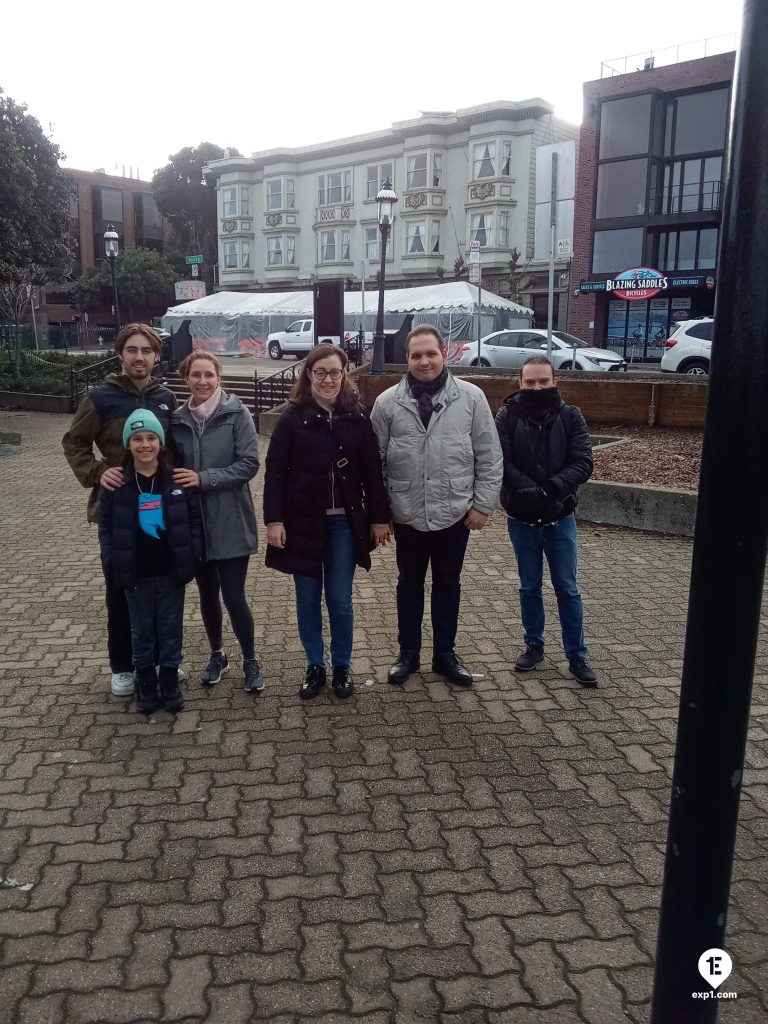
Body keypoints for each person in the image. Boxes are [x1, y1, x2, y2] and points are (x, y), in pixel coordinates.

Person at [371, 325, 502, 688]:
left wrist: (483, 506)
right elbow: (375, 464)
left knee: (448, 584)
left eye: (430, 353)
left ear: (444, 354)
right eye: (416, 355)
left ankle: (445, 654)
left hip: (454, 513)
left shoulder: (471, 399)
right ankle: (408, 654)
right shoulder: (386, 404)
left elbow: (489, 457)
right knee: (408, 584)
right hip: (407, 514)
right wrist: (381, 514)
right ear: (407, 359)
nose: (424, 361)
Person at [263, 344, 391, 700]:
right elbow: (274, 472)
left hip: (343, 526)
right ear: (308, 375)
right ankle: (315, 665)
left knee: (340, 598)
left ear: (344, 374)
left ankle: (342, 665)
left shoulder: (357, 417)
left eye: (335, 372)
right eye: (320, 372)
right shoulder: (291, 418)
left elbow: (372, 473)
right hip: (302, 522)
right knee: (307, 598)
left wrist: (379, 518)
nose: (328, 379)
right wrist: (274, 520)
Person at [62, 323, 177, 698]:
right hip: (117, 509)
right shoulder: (101, 397)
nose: (139, 357)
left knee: (161, 586)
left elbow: (174, 448)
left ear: (156, 356)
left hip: (158, 504)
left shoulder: (166, 398)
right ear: (120, 354)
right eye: (132, 350)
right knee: (121, 587)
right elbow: (74, 442)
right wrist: (98, 472)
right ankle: (123, 666)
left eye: (146, 350)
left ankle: (160, 661)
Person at [494, 355, 597, 687]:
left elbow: (583, 462)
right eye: (529, 382)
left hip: (559, 516)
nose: (536, 387)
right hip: (522, 516)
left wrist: (552, 489)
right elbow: (500, 459)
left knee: (567, 588)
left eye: (542, 381)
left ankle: (576, 655)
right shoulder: (507, 416)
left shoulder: (571, 416)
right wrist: (527, 490)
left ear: (555, 382)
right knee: (529, 587)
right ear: (520, 384)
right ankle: (534, 645)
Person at [169, 352, 264, 693]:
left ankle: (251, 660)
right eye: (196, 375)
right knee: (207, 595)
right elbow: (169, 465)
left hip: (231, 520)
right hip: (193, 523)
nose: (203, 381)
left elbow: (249, 464)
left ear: (219, 377)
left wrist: (203, 478)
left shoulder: (236, 414)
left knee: (234, 597)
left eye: (209, 374)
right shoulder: (177, 420)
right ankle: (217, 655)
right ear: (187, 378)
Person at [98, 410, 202, 714]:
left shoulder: (176, 479)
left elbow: (194, 522)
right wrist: (111, 559)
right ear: (128, 444)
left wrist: (192, 556)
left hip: (171, 571)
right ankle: (145, 681)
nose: (145, 444)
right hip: (135, 573)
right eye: (138, 438)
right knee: (141, 630)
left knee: (170, 629)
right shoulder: (117, 484)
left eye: (151, 438)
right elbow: (106, 528)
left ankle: (168, 679)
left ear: (161, 442)